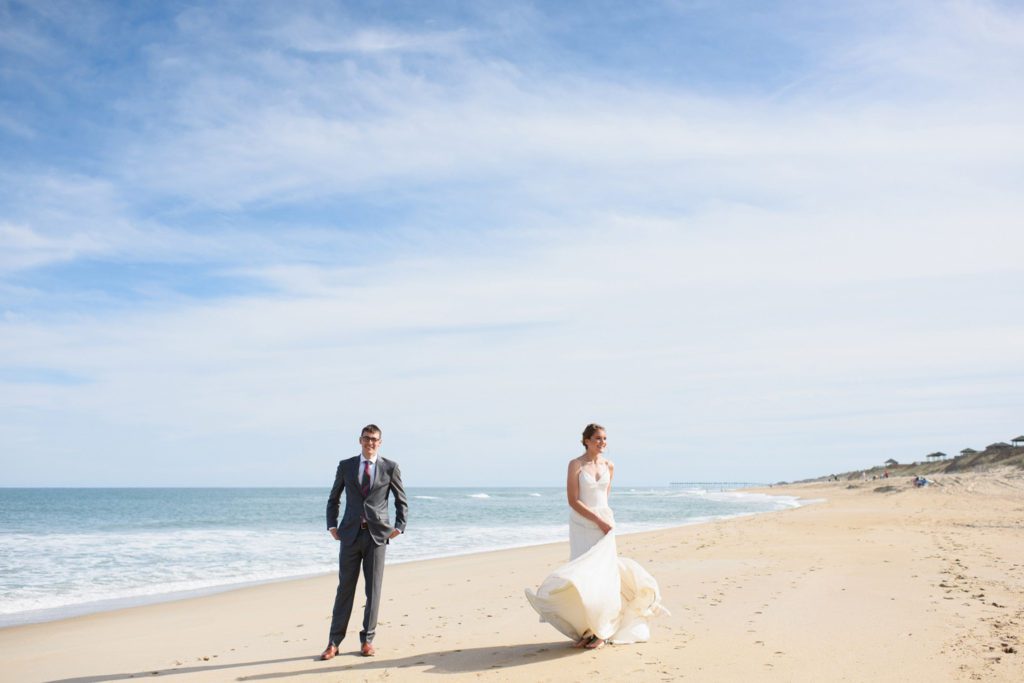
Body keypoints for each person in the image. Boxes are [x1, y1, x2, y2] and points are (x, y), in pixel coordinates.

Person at [525, 423, 669, 650]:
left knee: (604, 576)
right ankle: (587, 629)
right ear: (586, 441)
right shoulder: (576, 464)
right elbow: (573, 500)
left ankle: (602, 630)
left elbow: (604, 497)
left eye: (604, 439)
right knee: (583, 577)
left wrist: (605, 520)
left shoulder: (609, 465)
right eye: (597, 439)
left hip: (606, 525)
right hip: (583, 524)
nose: (602, 443)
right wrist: (597, 520)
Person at [320, 424, 408, 660]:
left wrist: (399, 526)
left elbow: (401, 500)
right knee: (344, 589)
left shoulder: (390, 467)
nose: (371, 443)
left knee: (373, 590)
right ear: (360, 440)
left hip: (377, 536)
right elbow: (334, 498)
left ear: (380, 443)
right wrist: (332, 524)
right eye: (367, 438)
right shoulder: (346, 466)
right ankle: (333, 642)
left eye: (375, 439)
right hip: (349, 535)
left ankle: (367, 641)